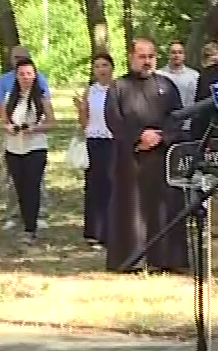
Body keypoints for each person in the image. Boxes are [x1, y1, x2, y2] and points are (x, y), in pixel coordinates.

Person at [105, 37, 187, 273]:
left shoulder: (167, 85)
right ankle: (133, 260)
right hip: (131, 160)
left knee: (165, 209)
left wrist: (161, 136)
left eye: (151, 56)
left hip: (163, 158)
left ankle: (167, 259)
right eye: (142, 57)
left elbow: (178, 117)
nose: (147, 61)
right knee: (132, 210)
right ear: (131, 57)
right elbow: (113, 120)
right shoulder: (118, 87)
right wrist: (138, 136)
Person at [0, 45, 51, 231]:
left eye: (29, 73)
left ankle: (33, 223)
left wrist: (34, 128)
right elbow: (2, 116)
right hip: (14, 146)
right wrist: (9, 127)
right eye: (21, 74)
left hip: (36, 146)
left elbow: (51, 120)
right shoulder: (7, 87)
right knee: (15, 183)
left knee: (34, 184)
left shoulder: (40, 88)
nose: (25, 77)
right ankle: (15, 215)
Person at [75, 53, 117, 248]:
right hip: (94, 141)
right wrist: (81, 109)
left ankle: (113, 231)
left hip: (113, 142)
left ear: (111, 68)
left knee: (113, 186)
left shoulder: (118, 89)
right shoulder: (90, 91)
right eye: (97, 66)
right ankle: (94, 231)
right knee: (94, 186)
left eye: (105, 65)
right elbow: (84, 123)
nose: (101, 70)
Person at [157, 39, 200, 108]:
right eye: (173, 52)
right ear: (168, 55)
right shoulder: (159, 75)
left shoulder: (194, 76)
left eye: (180, 52)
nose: (177, 55)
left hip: (189, 113)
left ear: (184, 55)